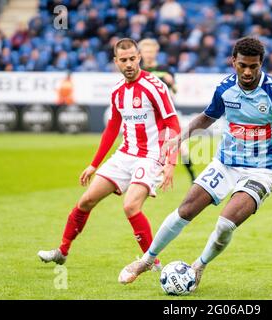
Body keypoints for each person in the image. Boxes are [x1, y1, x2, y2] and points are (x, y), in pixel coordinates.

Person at [117, 37, 272, 288]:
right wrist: (178, 138)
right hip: (225, 164)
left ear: (261, 63)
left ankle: (199, 266)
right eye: (242, 65)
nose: (248, 72)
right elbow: (207, 117)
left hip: (262, 170)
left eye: (253, 66)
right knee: (185, 209)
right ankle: (146, 260)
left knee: (226, 223)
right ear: (233, 62)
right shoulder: (225, 88)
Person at [38, 38, 181, 270]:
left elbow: (172, 123)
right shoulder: (116, 91)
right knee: (86, 200)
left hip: (152, 155)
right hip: (124, 154)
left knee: (130, 206)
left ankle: (153, 262)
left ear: (139, 58)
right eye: (123, 60)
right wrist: (94, 164)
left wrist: (171, 162)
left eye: (133, 59)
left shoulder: (154, 86)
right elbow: (112, 128)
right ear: (116, 62)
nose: (129, 64)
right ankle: (62, 252)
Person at [138, 38, 196, 183]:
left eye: (151, 51)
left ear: (156, 52)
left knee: (180, 147)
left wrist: (171, 85)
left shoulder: (165, 70)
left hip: (165, 116)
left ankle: (192, 176)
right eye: (146, 51)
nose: (149, 54)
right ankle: (143, 177)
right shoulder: (138, 70)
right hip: (147, 117)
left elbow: (175, 91)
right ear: (141, 53)